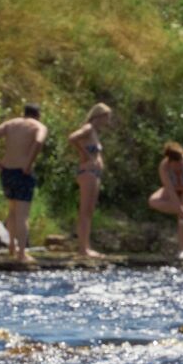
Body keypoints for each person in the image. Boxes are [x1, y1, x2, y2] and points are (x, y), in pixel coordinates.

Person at [0, 104, 48, 263]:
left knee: (12, 210)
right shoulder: (38, 126)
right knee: (22, 214)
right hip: (22, 171)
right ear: (38, 115)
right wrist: (29, 162)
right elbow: (39, 141)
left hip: (7, 170)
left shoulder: (12, 123)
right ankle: (21, 253)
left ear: (24, 113)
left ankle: (11, 247)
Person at [67, 103, 113, 257]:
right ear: (99, 116)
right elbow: (72, 138)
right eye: (107, 117)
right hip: (88, 171)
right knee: (85, 211)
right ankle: (83, 248)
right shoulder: (88, 128)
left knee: (89, 211)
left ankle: (86, 246)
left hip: (95, 173)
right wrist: (85, 154)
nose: (108, 121)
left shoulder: (94, 132)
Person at [148, 141, 183, 260]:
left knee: (182, 219)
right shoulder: (164, 167)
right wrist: (181, 210)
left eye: (180, 163)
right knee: (153, 201)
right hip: (173, 190)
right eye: (176, 164)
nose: (179, 166)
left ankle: (181, 250)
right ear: (170, 161)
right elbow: (170, 191)